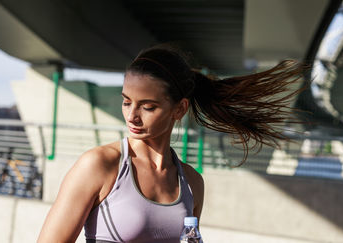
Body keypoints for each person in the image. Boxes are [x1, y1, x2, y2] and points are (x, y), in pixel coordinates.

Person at [37, 43, 306, 243]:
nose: (132, 116)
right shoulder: (100, 165)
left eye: (148, 106)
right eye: (126, 101)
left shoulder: (191, 184)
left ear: (179, 109)